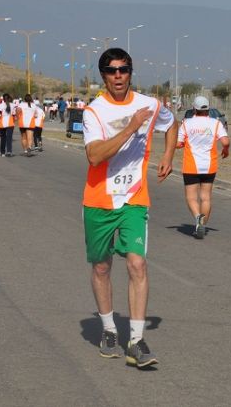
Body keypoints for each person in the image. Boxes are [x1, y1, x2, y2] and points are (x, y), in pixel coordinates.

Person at [82, 47, 177, 368]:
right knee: (101, 267)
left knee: (137, 265)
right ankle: (109, 330)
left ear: (131, 72)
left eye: (123, 69)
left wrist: (167, 156)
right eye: (111, 70)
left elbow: (171, 123)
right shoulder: (93, 112)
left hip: (135, 198)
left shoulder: (150, 104)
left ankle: (136, 339)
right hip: (98, 199)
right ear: (103, 75)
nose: (118, 75)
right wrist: (131, 128)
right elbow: (95, 156)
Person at [177, 95, 230, 239]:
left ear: (194, 108)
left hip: (191, 166)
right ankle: (202, 224)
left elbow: (178, 143)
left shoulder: (186, 123)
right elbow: (225, 141)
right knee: (205, 197)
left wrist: (182, 144)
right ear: (208, 108)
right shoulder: (216, 123)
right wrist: (226, 150)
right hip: (209, 166)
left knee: (191, 197)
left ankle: (197, 218)